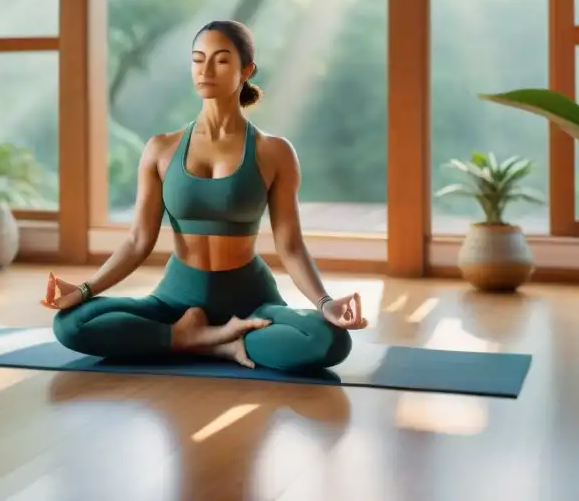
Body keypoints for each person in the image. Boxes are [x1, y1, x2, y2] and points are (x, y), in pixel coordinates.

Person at [40, 19, 367, 371]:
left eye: (221, 60)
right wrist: (84, 291)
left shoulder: (274, 152)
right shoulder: (161, 149)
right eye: (198, 59)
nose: (205, 70)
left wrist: (325, 303)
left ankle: (216, 339)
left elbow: (290, 246)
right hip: (176, 301)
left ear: (246, 70)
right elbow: (138, 241)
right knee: (71, 324)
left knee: (329, 341)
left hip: (250, 301)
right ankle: (193, 339)